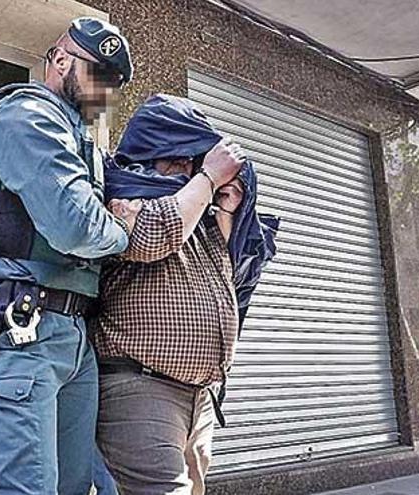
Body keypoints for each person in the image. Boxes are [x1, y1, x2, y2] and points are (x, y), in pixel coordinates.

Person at [0, 17, 142, 495]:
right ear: (59, 60)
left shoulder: (83, 141)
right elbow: (75, 226)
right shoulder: (24, 113)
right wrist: (123, 228)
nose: (105, 92)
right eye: (97, 74)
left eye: (113, 84)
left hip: (71, 335)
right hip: (18, 331)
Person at [94, 95, 274, 495]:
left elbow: (228, 269)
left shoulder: (199, 212)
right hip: (141, 390)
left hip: (200, 396)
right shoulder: (123, 194)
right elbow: (150, 238)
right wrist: (208, 178)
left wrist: (227, 209)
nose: (183, 167)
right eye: (170, 157)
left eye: (189, 159)